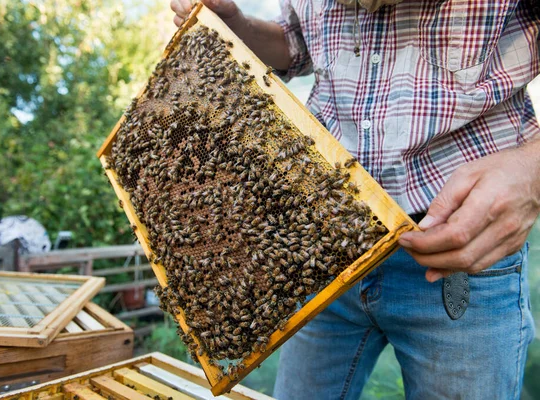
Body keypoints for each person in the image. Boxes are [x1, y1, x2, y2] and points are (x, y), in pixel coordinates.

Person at [170, 1, 540, 398]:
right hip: (319, 241)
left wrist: (531, 172)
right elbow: (299, 40)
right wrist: (239, 27)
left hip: (459, 251)